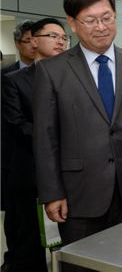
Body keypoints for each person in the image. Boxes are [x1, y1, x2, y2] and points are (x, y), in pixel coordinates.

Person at [33, 0, 122, 272]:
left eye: (107, 18)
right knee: (82, 266)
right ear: (72, 23)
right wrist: (52, 192)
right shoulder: (51, 70)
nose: (101, 27)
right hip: (79, 193)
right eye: (91, 20)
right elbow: (45, 137)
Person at [2, 18, 67, 272]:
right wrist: (61, 141)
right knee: (30, 240)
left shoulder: (73, 76)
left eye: (63, 37)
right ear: (33, 41)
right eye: (52, 36)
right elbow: (17, 125)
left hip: (70, 172)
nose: (60, 41)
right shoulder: (15, 81)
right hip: (30, 173)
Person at [1, 20, 36, 272]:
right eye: (28, 40)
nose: (34, 45)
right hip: (15, 160)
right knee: (17, 221)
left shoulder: (56, 73)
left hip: (44, 166)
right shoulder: (6, 78)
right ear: (17, 44)